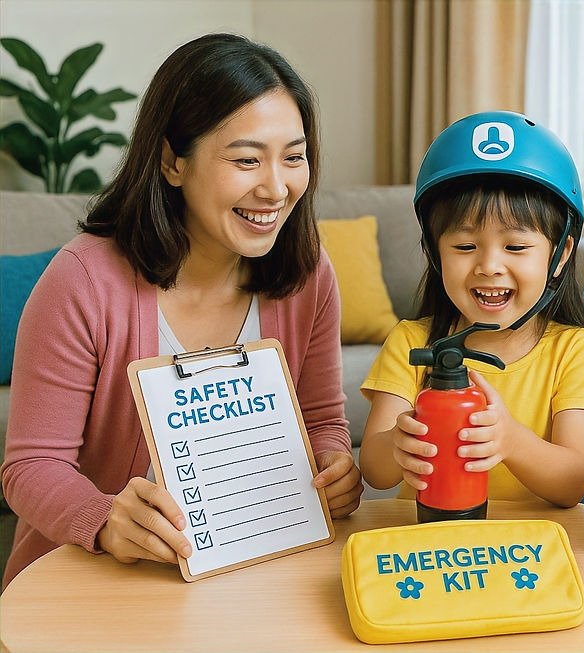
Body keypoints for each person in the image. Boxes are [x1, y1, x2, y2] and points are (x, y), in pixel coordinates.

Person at [0, 33, 363, 589]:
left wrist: (334, 466)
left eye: (294, 157)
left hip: (255, 570)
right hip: (93, 580)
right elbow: (30, 467)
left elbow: (321, 424)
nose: (276, 187)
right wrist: (103, 520)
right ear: (172, 161)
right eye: (246, 160)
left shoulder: (308, 275)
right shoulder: (83, 281)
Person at [359, 111, 584, 507]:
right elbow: (375, 473)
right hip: (431, 545)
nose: (490, 266)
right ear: (434, 253)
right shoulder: (412, 341)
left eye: (515, 247)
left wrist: (512, 440)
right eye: (464, 247)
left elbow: (573, 484)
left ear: (560, 255)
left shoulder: (574, 351)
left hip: (530, 554)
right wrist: (398, 444)